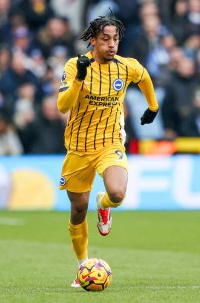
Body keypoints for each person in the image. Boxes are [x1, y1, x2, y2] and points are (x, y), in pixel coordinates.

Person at [56, 14, 159, 287]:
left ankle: (104, 205)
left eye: (115, 39)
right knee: (78, 210)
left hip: (110, 143)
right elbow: (62, 106)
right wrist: (78, 78)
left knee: (117, 193)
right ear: (93, 41)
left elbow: (145, 76)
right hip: (78, 148)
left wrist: (153, 107)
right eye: (105, 39)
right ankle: (83, 267)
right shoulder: (74, 66)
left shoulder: (126, 67)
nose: (112, 45)